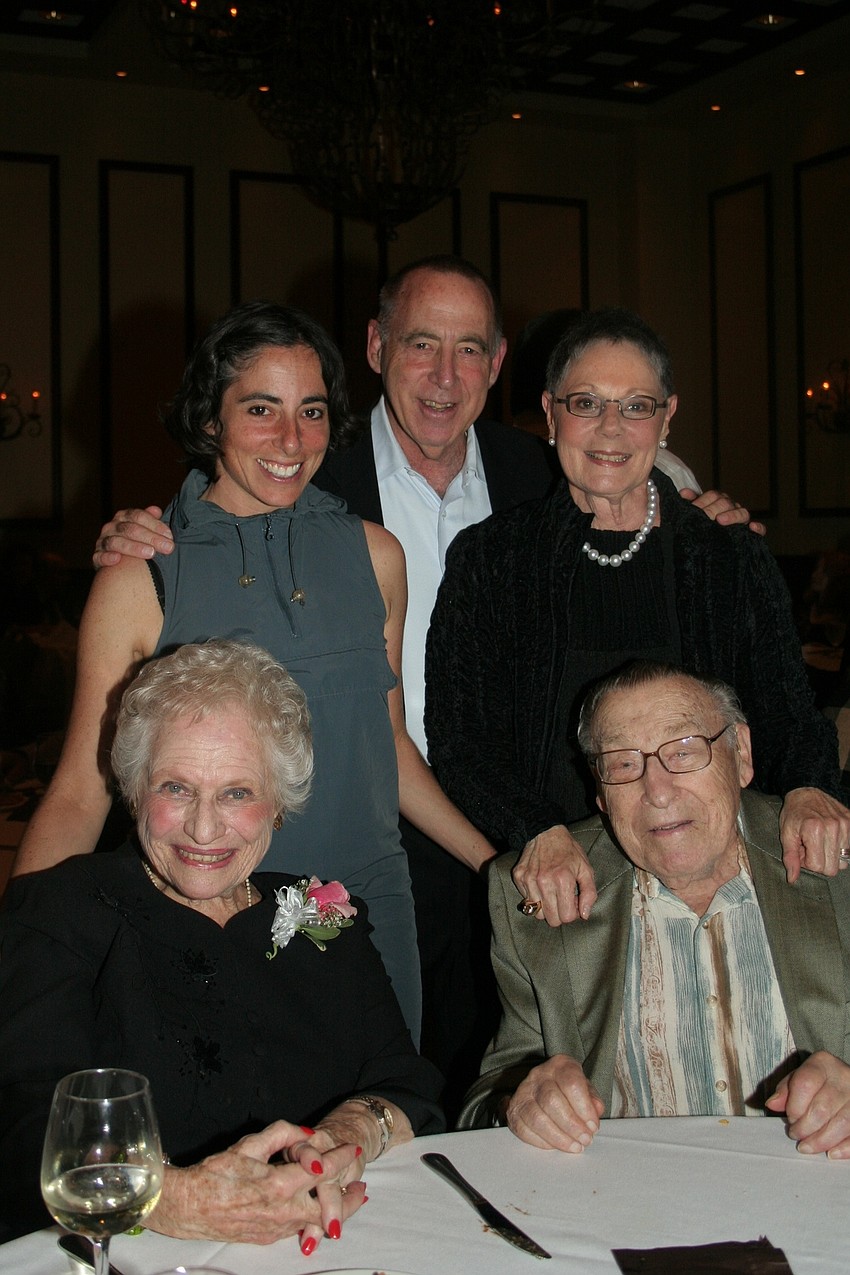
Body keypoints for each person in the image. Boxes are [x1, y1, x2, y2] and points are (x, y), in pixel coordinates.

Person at [84, 262, 761, 1113]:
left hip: (517, 826)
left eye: (469, 348)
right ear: (375, 348)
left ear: (499, 361)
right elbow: (221, 507)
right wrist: (132, 531)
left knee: (493, 1078)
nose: (445, 374)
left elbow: (640, 488)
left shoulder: (546, 465)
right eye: (420, 344)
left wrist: (711, 514)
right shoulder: (306, 483)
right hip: (328, 839)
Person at [12, 302, 500, 1042]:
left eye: (310, 411)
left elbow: (390, 750)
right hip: (209, 910)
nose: (291, 440)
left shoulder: (377, 556)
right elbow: (82, 789)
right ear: (210, 419)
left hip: (368, 910)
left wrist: (493, 863)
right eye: (260, 408)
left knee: (379, 1129)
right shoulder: (142, 576)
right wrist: (23, 948)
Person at [0, 640, 443, 1249]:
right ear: (134, 789)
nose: (204, 829)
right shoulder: (60, 911)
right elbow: (21, 1123)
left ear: (279, 804)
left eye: (237, 793)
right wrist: (171, 1199)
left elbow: (406, 1082)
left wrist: (350, 1133)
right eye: (176, 788)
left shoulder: (321, 913)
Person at [426, 307, 850, 929]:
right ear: (549, 413)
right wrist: (535, 831)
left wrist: (812, 787)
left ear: (667, 417)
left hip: (719, 878)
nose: (610, 428)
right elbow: (462, 739)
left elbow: (786, 705)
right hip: (562, 890)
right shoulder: (491, 560)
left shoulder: (726, 553)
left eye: (636, 406)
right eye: (586, 403)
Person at [459, 662, 850, 1159]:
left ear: (742, 754)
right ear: (598, 788)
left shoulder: (837, 865)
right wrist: (522, 1103)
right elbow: (482, 1105)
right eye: (623, 763)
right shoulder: (536, 901)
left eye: (685, 750)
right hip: (627, 1207)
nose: (658, 791)